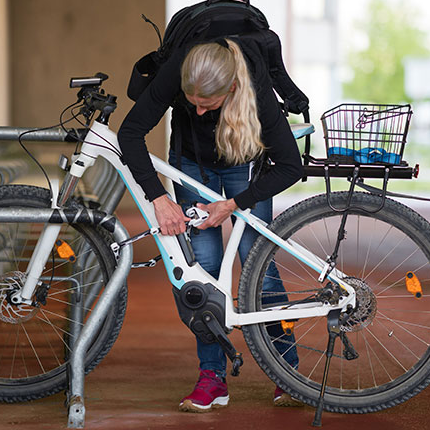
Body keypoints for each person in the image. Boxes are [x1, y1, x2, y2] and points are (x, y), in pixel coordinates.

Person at [118, 36, 304, 412]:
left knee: (260, 269)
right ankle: (212, 377)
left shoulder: (255, 88)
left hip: (244, 160)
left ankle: (289, 373)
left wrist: (233, 205)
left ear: (232, 88)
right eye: (192, 103)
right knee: (199, 274)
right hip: (191, 161)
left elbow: (290, 166)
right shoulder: (178, 72)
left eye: (209, 104)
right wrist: (159, 198)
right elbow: (130, 132)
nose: (199, 112)